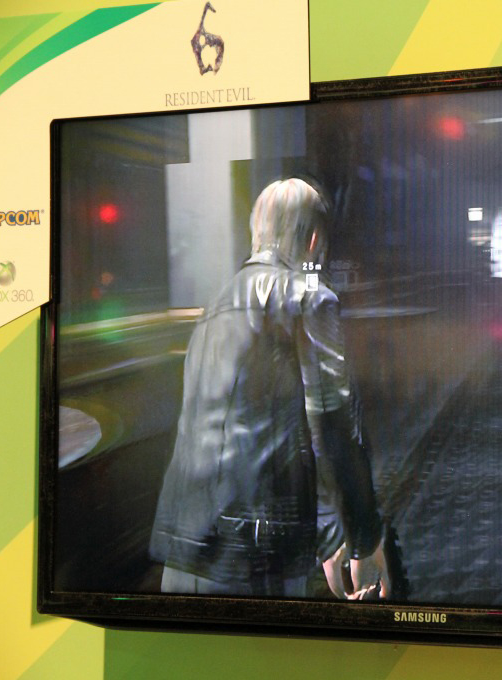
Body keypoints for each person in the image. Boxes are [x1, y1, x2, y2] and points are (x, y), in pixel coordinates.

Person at [150, 178, 392, 599]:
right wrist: (362, 541)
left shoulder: (214, 307)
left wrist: (327, 538)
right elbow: (331, 431)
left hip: (183, 549)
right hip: (256, 559)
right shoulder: (310, 298)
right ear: (314, 240)